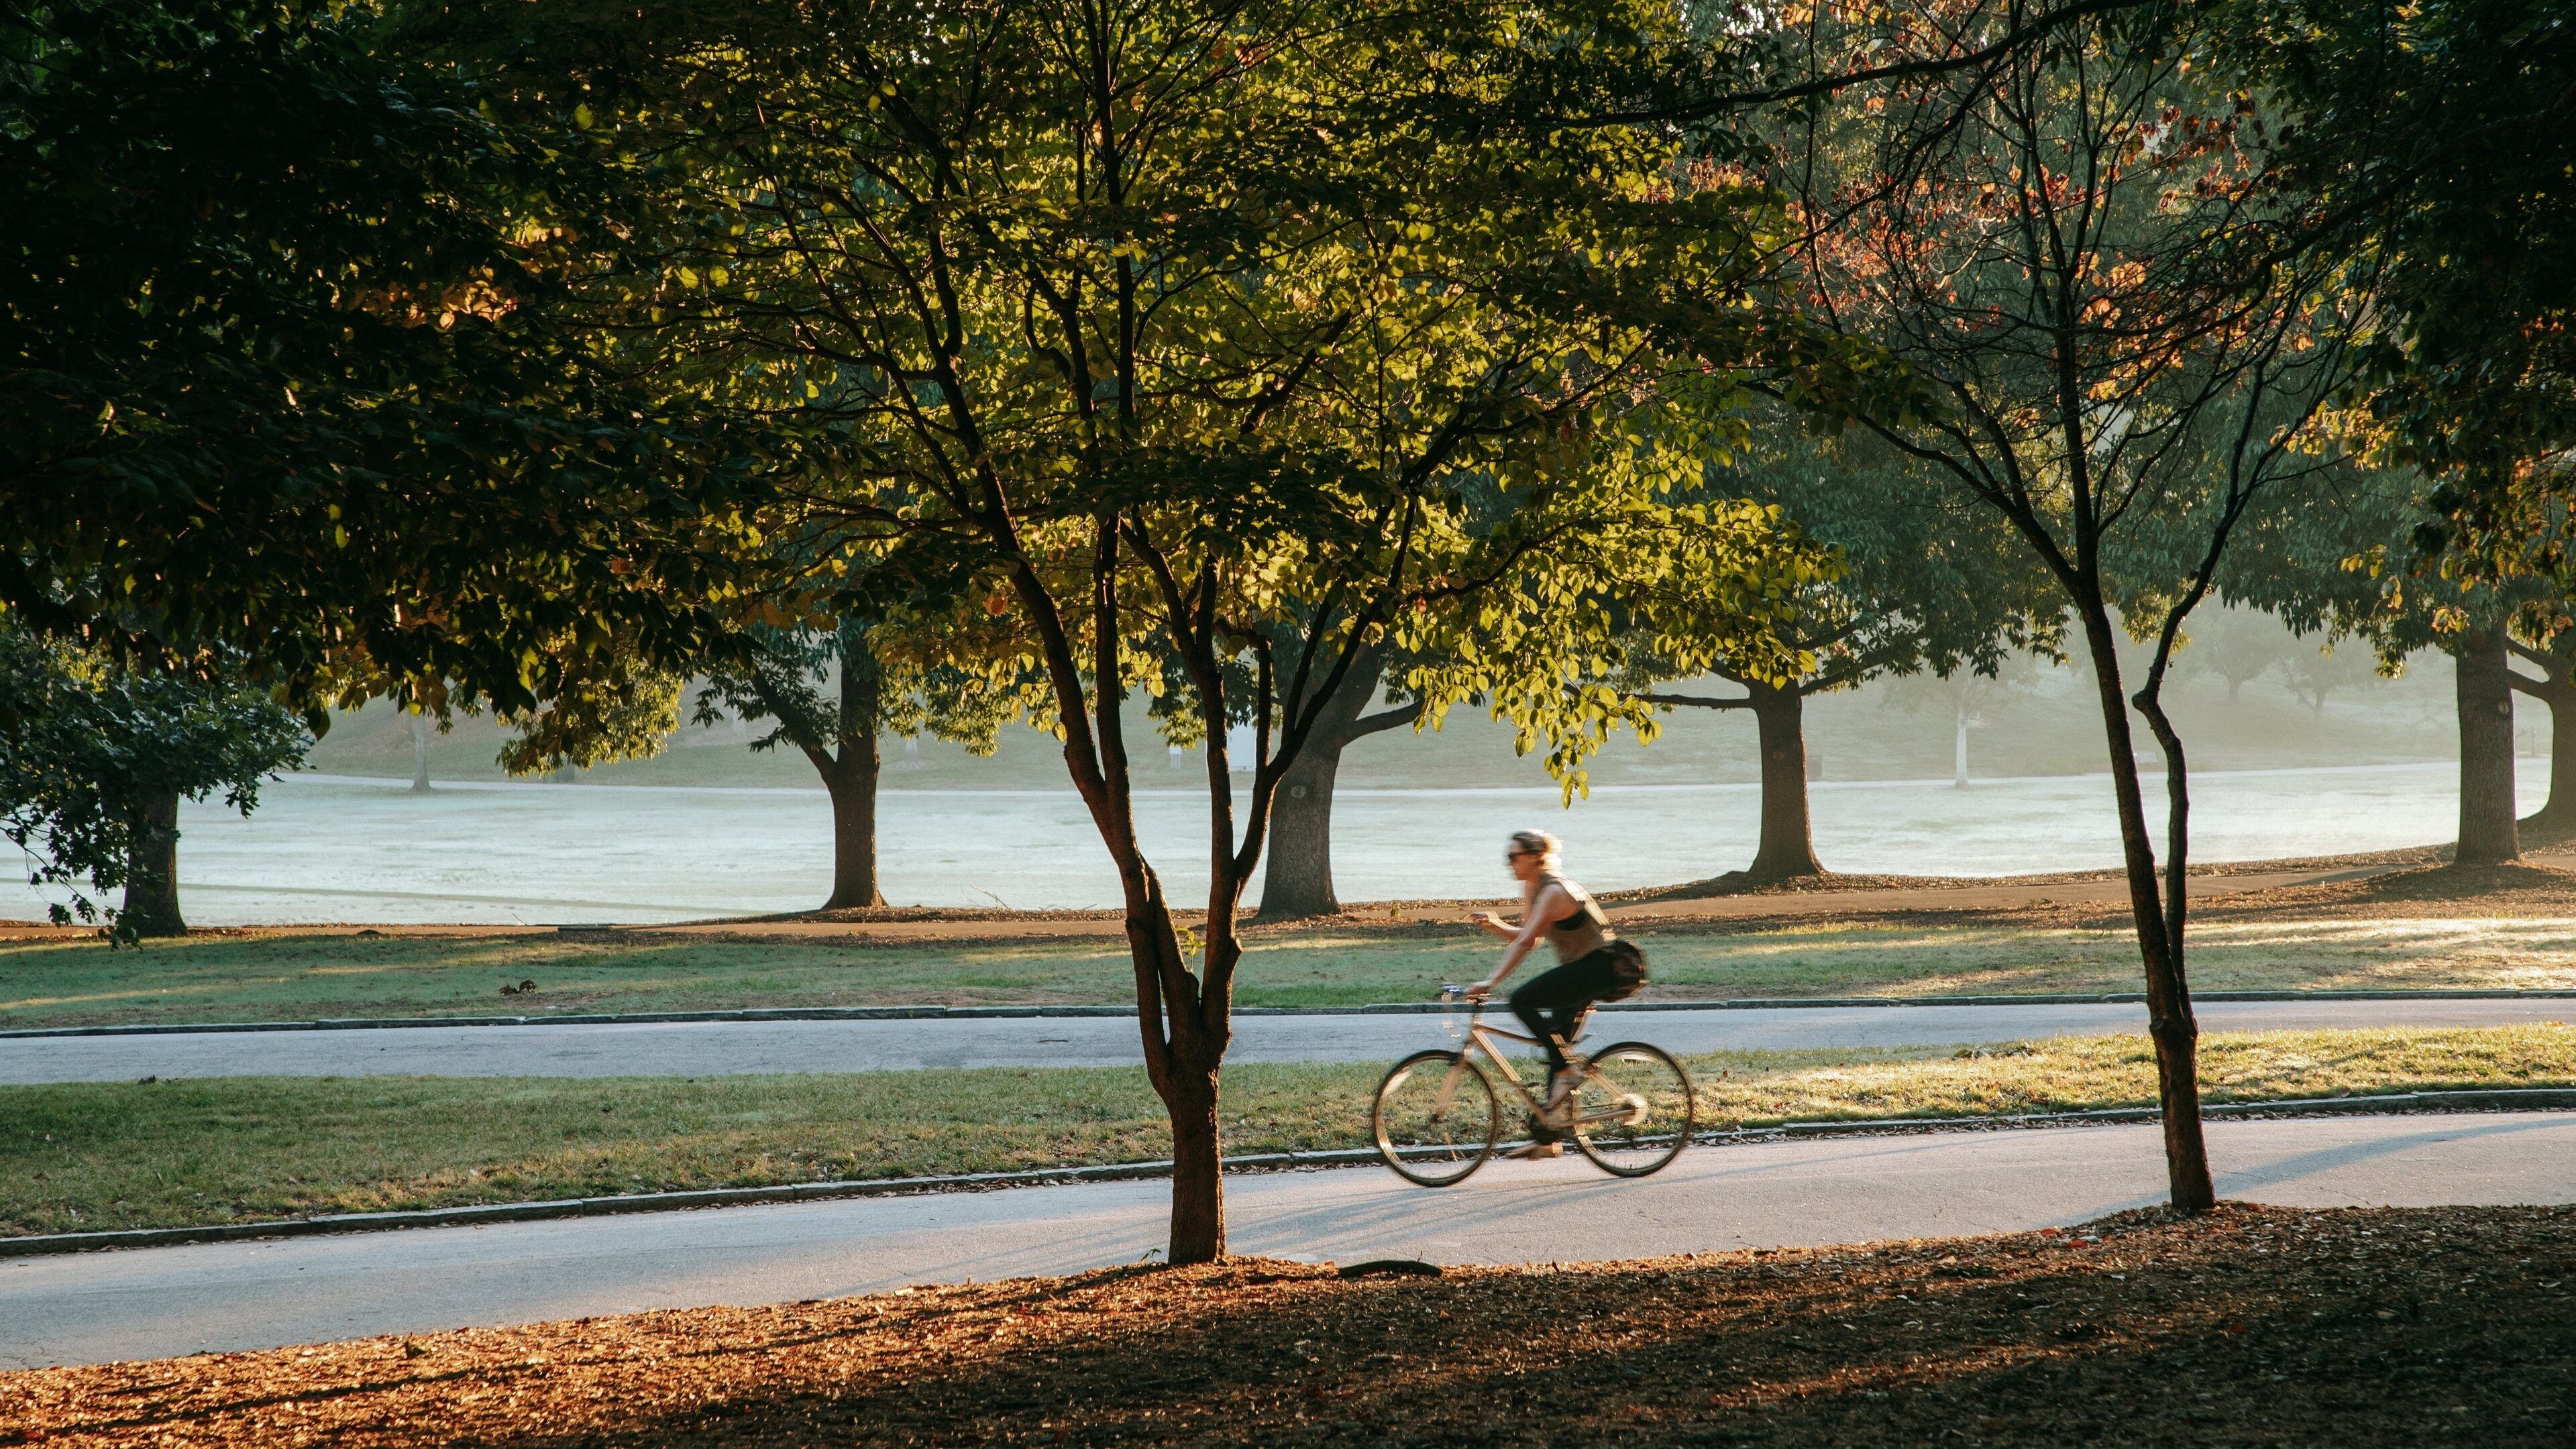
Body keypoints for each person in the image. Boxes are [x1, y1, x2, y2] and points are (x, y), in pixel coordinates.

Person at [1464, 829, 1641, 1139]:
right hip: (1584, 969)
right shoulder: (1534, 888)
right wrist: (1494, 925)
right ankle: (1548, 1138)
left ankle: (1567, 1071)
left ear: (1534, 857)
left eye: (1513, 856)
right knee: (1554, 1041)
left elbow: (1523, 943)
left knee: (1521, 1000)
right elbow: (1530, 938)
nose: (1509, 864)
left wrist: (1491, 981)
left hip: (1599, 967)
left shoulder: (1554, 892)